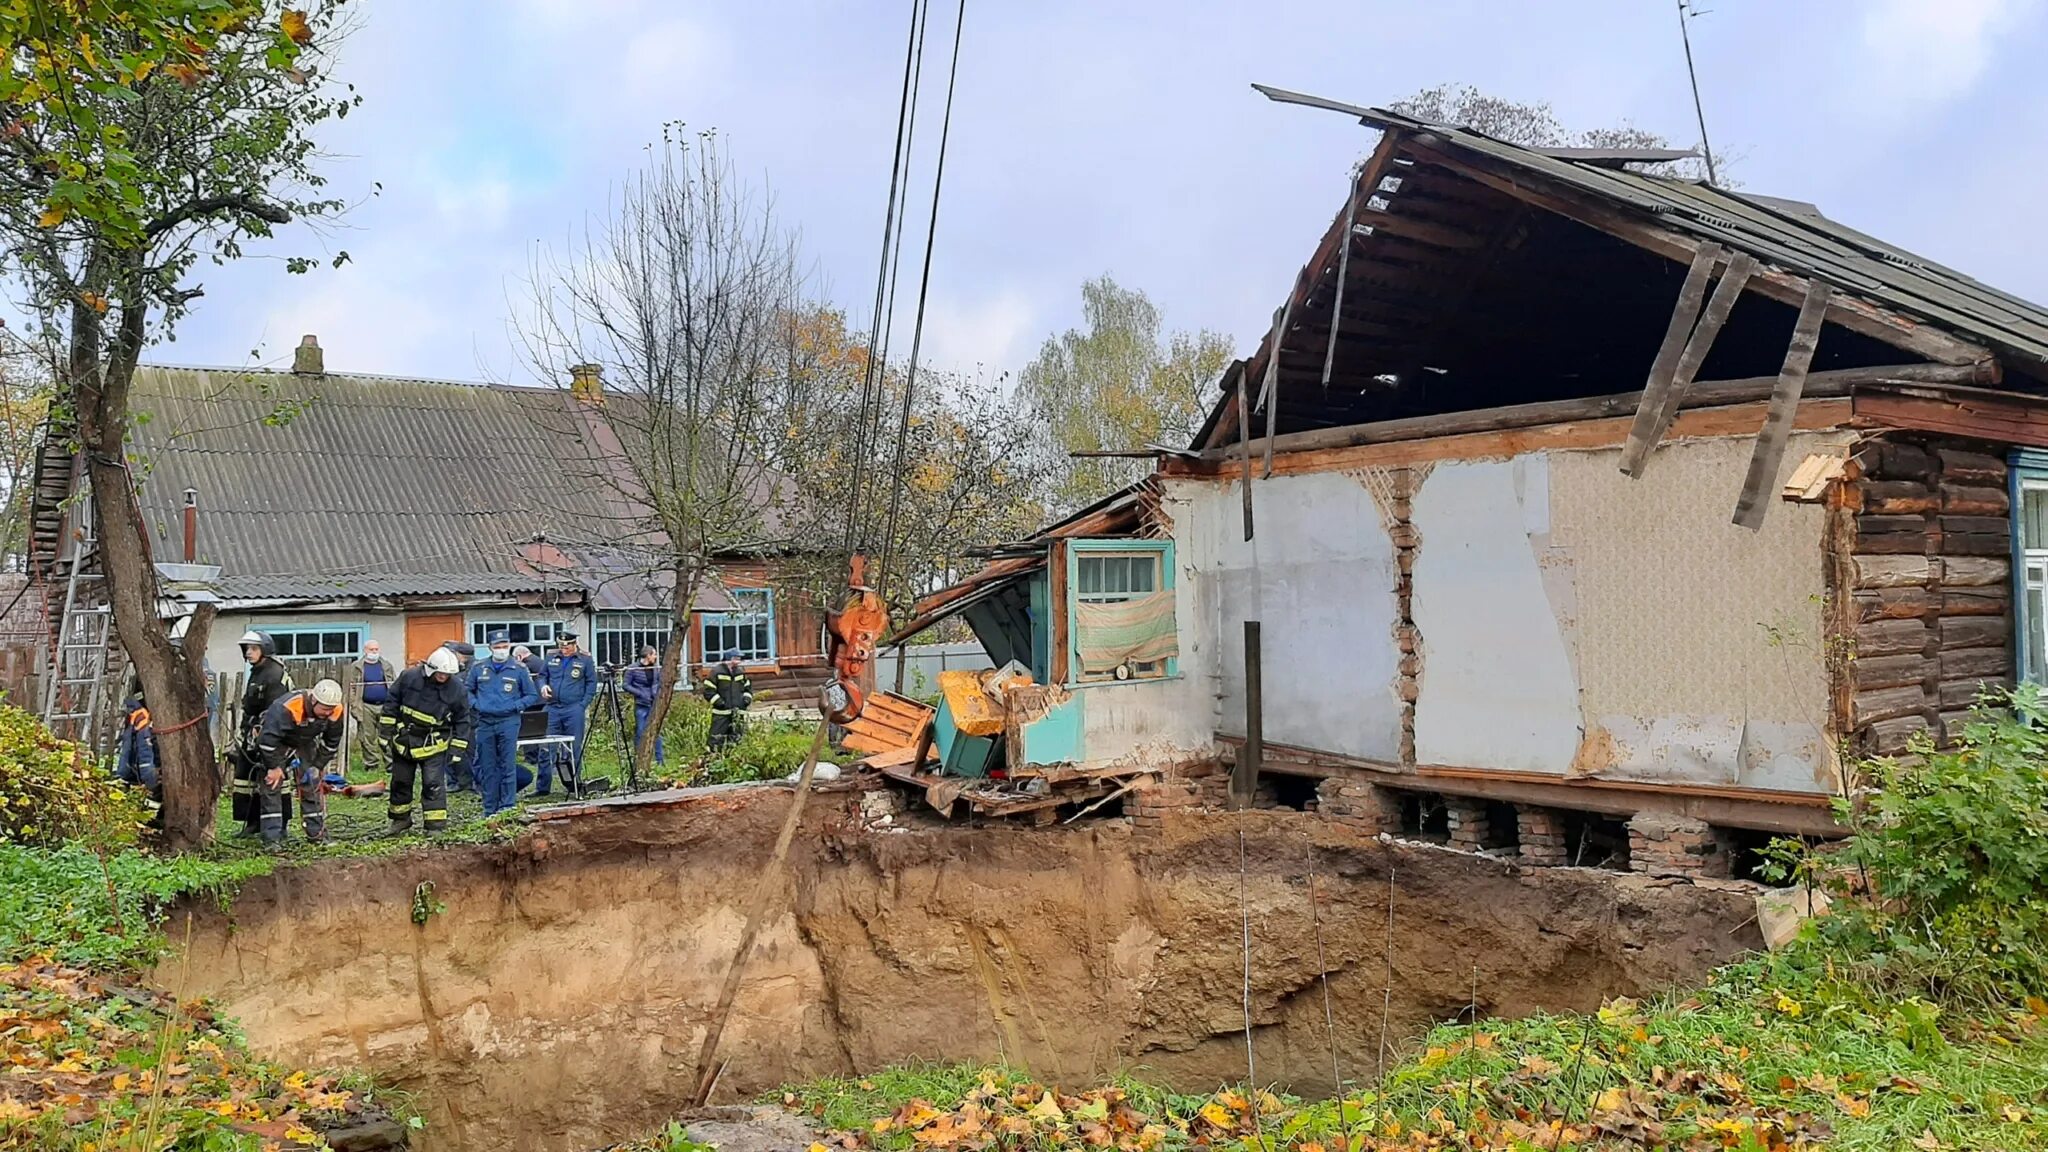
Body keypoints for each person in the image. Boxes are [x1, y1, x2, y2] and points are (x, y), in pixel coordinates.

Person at [379, 646, 473, 837]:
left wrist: (457, 748)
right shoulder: (409, 677)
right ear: (431, 668)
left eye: (447, 674)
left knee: (433, 784)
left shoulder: (457, 689)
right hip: (404, 741)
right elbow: (392, 703)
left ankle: (434, 826)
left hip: (433, 743)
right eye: (441, 673)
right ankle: (400, 820)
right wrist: (385, 733)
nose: (444, 677)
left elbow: (462, 719)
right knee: (400, 782)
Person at [253, 679, 345, 846]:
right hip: (277, 743)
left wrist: (317, 766)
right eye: (324, 709)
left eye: (330, 710)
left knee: (312, 783)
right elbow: (267, 741)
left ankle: (316, 834)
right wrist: (273, 767)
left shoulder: (335, 711)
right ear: (314, 700)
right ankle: (272, 838)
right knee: (272, 784)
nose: (327, 713)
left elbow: (331, 743)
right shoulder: (287, 707)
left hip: (304, 742)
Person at [466, 629, 539, 817]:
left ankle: (507, 807)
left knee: (508, 766)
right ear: (490, 648)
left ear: (510, 646)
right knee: (487, 766)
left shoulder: (519, 669)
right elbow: (467, 691)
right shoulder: (479, 668)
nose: (501, 650)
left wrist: (515, 706)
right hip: (485, 722)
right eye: (497, 647)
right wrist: (476, 705)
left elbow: (531, 695)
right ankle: (489, 808)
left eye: (505, 646)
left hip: (509, 722)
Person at [231, 630, 294, 836]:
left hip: (268, 734)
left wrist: (263, 735)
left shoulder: (274, 674)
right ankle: (252, 822)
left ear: (265, 650)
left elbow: (275, 711)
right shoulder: (258, 670)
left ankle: (280, 824)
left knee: (272, 777)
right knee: (246, 778)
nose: (249, 653)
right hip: (252, 730)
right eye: (246, 648)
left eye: (254, 648)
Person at [538, 631, 597, 796]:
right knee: (545, 747)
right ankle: (543, 787)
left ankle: (575, 785)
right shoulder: (551, 657)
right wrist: (543, 686)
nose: (564, 649)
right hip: (552, 708)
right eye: (561, 646)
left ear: (574, 644)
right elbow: (542, 676)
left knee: (574, 748)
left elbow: (592, 684)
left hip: (573, 709)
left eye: (567, 646)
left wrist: (582, 705)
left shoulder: (584, 660)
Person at [352, 640, 396, 782]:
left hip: (385, 705)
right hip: (366, 706)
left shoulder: (386, 666)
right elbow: (351, 687)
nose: (374, 652)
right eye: (371, 649)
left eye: (376, 649)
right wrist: (354, 705)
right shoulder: (357, 667)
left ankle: (391, 764)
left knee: (388, 735)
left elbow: (394, 685)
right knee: (367, 737)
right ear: (365, 650)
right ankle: (371, 764)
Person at [441, 641, 479, 792]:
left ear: (462, 655)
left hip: (469, 717)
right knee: (451, 749)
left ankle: (470, 782)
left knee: (469, 751)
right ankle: (456, 781)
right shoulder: (455, 667)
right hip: (452, 716)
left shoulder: (473, 670)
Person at [700, 649, 754, 753]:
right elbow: (708, 691)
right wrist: (719, 703)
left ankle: (734, 758)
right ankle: (713, 759)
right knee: (716, 738)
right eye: (737, 658)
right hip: (721, 713)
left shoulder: (740, 671)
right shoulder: (716, 672)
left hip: (738, 712)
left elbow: (748, 688)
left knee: (737, 738)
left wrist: (746, 699)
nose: (739, 661)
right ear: (730, 659)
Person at [113, 695, 161, 811]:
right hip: (144, 775)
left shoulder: (137, 715)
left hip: (135, 772)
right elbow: (144, 751)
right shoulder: (142, 717)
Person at [622, 645, 665, 767]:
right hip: (641, 704)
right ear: (648, 655)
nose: (656, 657)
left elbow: (657, 682)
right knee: (641, 732)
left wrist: (656, 693)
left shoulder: (655, 668)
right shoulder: (633, 669)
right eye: (654, 654)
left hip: (653, 703)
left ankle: (660, 761)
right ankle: (639, 760)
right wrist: (640, 693)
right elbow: (625, 685)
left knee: (656, 731)